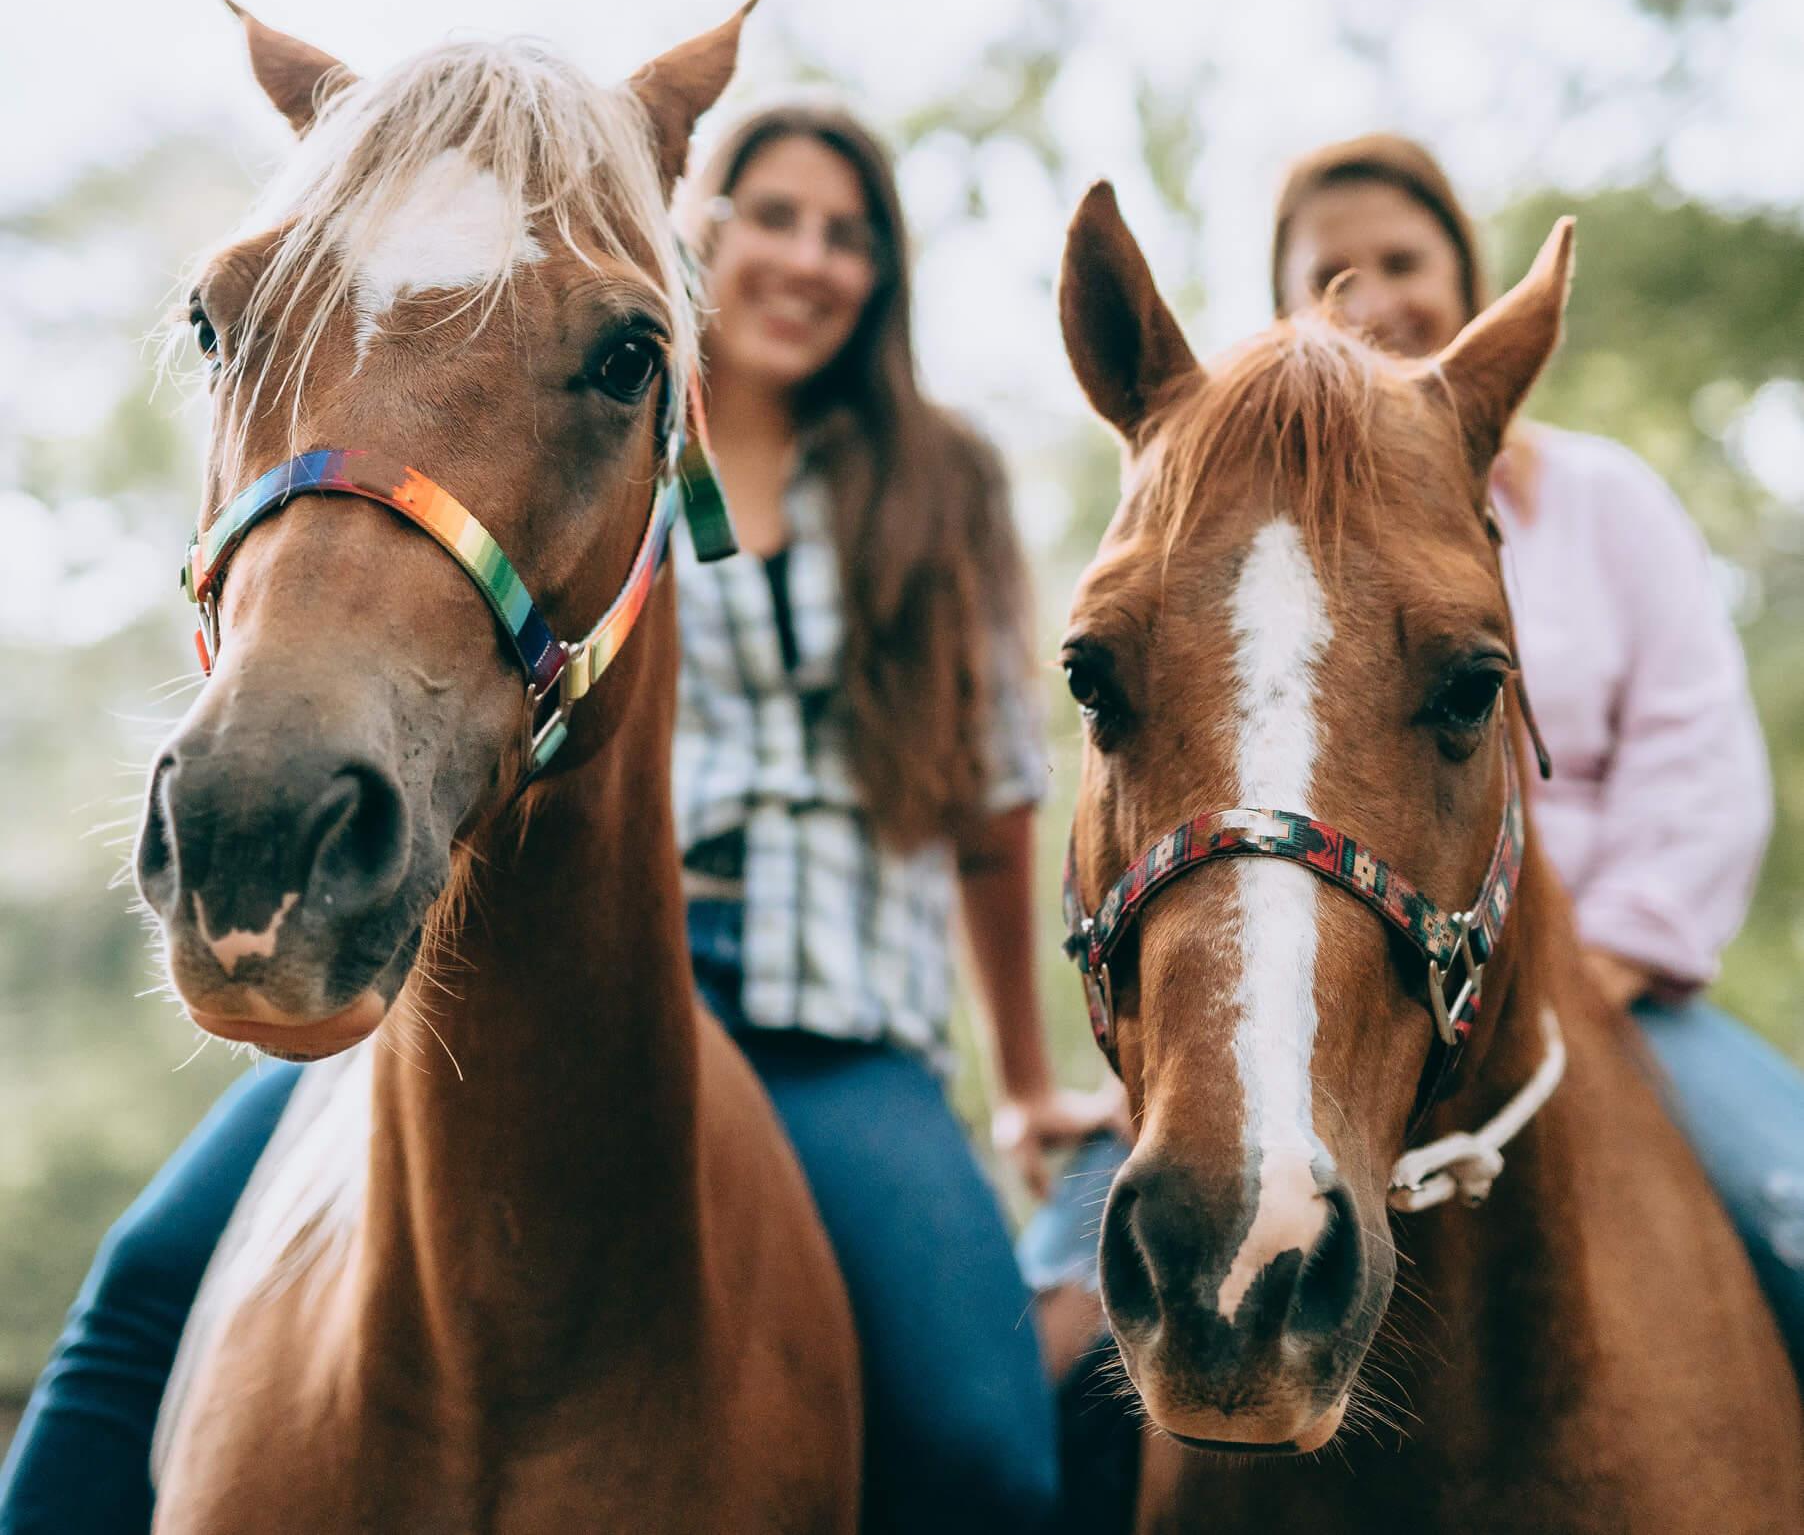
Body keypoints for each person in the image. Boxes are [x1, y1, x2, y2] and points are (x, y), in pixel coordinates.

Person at [0, 98, 1113, 1535]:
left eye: (847, 235)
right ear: (696, 230)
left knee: (981, 1449)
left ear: (882, 277)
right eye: (772, 214)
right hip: (524, 980)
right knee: (136, 1303)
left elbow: (987, 794)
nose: (805, 258)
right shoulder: (567, 402)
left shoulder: (930, 479)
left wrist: (1023, 1080)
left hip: (823, 1019)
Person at [1021, 131, 1804, 1390]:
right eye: (1332, 270)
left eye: (1402, 258)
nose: (1371, 294)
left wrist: (1603, 965)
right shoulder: (1250, 540)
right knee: (1031, 1360)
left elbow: (1701, 771)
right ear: (1282, 301)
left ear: (1466, 277)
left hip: (1617, 992)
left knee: (1795, 1209)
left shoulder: (1609, 503)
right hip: (1323, 987)